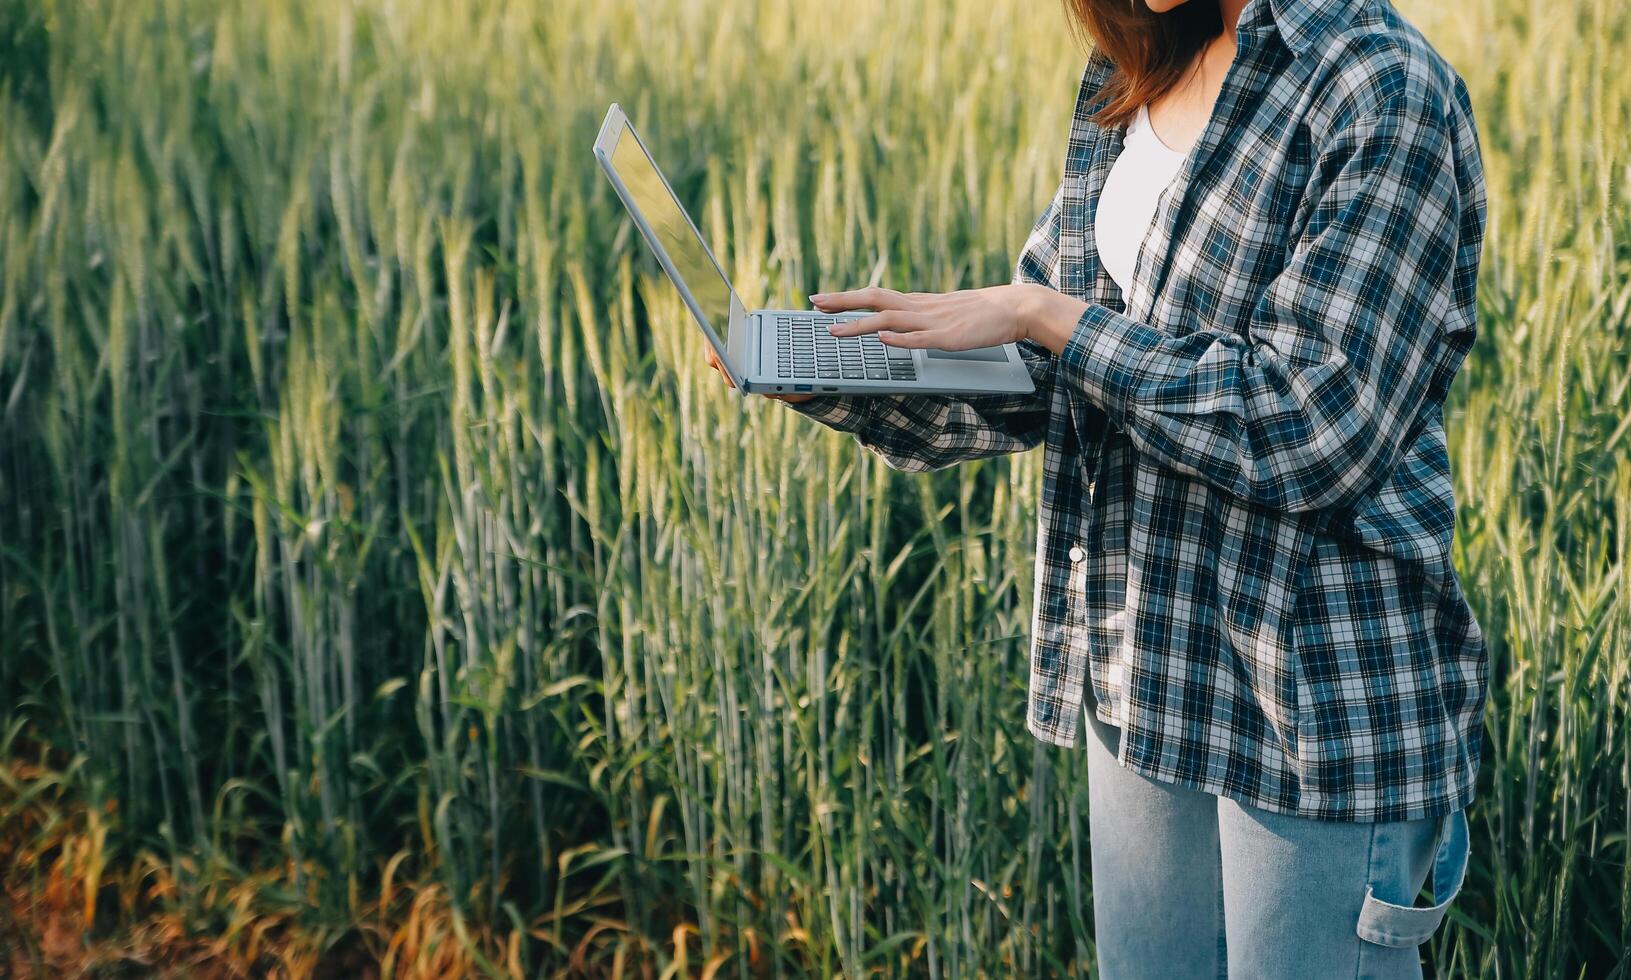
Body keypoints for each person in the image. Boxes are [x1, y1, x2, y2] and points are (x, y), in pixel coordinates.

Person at [707, 0, 1486, 975]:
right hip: (1144, 663)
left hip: (1312, 700)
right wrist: (847, 372)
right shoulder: (1136, 66)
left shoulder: (1377, 87)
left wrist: (1047, 316)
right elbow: (1062, 374)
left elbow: (1308, 425)